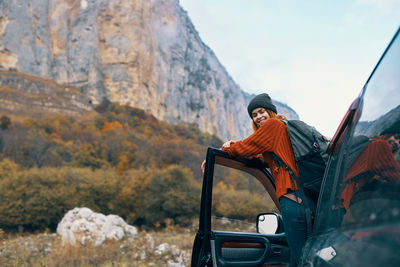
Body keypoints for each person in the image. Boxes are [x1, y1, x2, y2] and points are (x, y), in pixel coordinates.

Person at [201, 93, 315, 267]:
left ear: (270, 111)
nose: (259, 117)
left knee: (301, 259)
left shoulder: (273, 125)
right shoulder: (280, 132)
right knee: (299, 256)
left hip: (292, 201)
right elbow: (259, 159)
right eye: (254, 115)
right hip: (301, 202)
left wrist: (224, 148)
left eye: (261, 111)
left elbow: (244, 147)